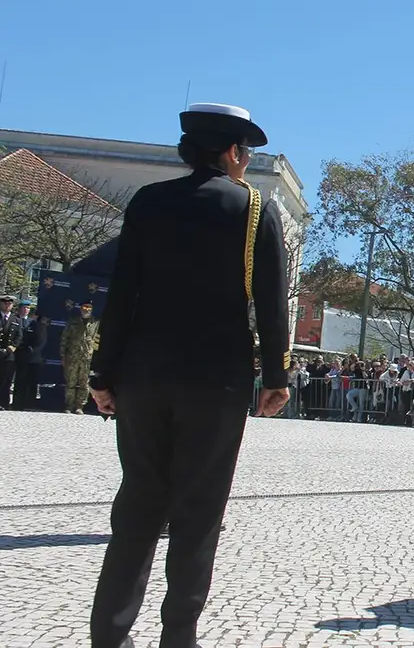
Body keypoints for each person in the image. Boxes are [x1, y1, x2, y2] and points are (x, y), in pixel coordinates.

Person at [88, 103, 290, 648]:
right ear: (232, 152)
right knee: (198, 512)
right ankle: (178, 637)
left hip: (143, 374)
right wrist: (276, 374)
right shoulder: (251, 208)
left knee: (137, 506)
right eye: (245, 153)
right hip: (215, 379)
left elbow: (121, 294)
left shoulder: (148, 202)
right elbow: (271, 304)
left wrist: (102, 370)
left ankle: (108, 635)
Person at [61, 299, 100, 414]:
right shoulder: (73, 321)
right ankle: (69, 405)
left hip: (88, 357)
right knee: (71, 382)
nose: (86, 309)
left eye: (89, 307)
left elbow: (98, 340)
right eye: (84, 307)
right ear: (80, 308)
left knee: (84, 383)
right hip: (72, 356)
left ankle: (80, 406)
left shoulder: (96, 323)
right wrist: (63, 354)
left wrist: (95, 355)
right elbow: (65, 338)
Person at [13, 301, 48, 410]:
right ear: (19, 308)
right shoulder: (14, 320)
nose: (25, 309)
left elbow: (41, 340)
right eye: (23, 307)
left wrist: (31, 350)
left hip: (29, 356)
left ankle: (26, 404)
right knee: (16, 380)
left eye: (27, 307)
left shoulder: (33, 323)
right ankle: (15, 404)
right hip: (14, 354)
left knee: (27, 380)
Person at [0, 294, 20, 409]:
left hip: (9, 355)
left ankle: (4, 403)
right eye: (4, 303)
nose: (7, 305)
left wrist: (14, 346)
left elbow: (19, 335)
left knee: (6, 381)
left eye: (9, 304)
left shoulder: (16, 319)